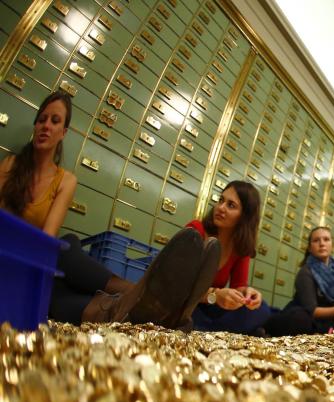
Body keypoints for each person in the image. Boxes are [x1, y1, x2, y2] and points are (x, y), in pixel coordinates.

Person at [0, 91, 214, 327]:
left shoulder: (65, 180)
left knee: (62, 274)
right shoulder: (10, 166)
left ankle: (130, 306)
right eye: (42, 119)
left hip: (38, 272)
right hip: (8, 261)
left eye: (55, 121)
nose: (46, 126)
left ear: (64, 132)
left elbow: (46, 241)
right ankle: (138, 294)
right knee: (66, 248)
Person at [187, 180, 271, 334]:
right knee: (193, 314)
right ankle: (216, 331)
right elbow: (178, 286)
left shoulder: (240, 247)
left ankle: (208, 330)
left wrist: (247, 295)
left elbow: (238, 286)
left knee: (262, 309)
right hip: (185, 303)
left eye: (231, 205)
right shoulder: (195, 231)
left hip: (209, 308)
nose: (220, 208)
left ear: (245, 217)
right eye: (221, 200)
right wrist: (214, 295)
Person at [263, 226, 334, 336]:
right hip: (303, 319)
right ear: (310, 248)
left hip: (324, 324)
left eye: (326, 239)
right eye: (316, 240)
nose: (322, 243)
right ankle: (266, 329)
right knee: (301, 319)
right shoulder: (305, 272)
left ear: (332, 246)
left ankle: (322, 332)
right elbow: (312, 311)